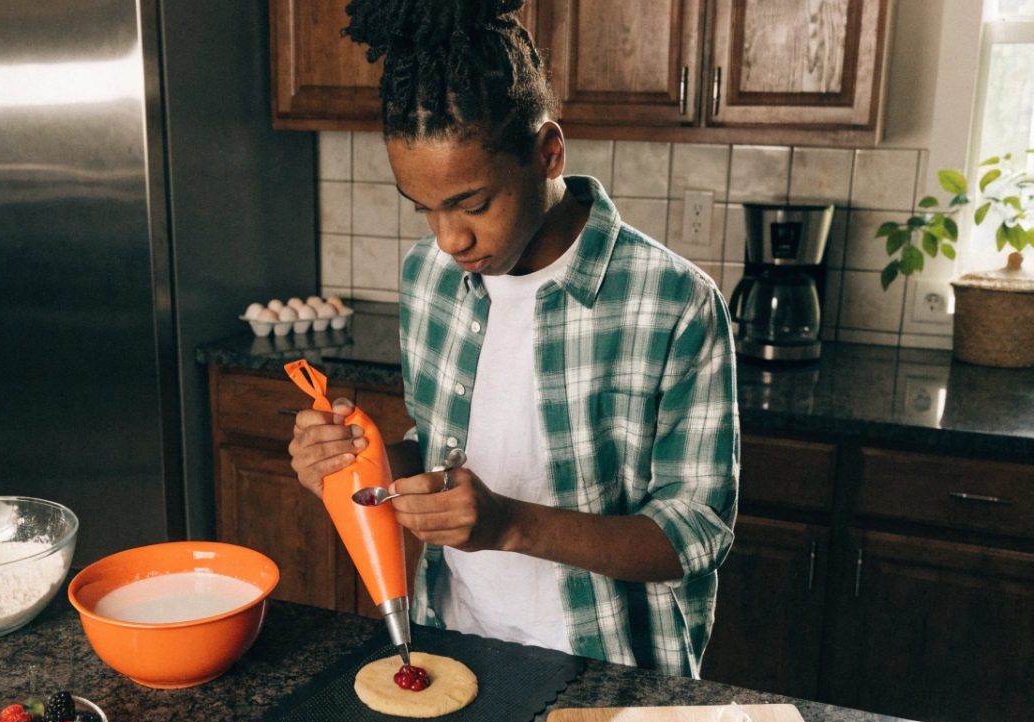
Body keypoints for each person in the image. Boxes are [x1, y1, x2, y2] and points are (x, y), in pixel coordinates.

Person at [288, 0, 738, 678]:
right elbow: (437, 450)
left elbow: (696, 534)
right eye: (425, 208)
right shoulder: (428, 277)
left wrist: (512, 525)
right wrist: (361, 461)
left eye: (472, 204)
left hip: (606, 676)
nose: (450, 239)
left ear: (548, 153)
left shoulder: (673, 303)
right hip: (456, 650)